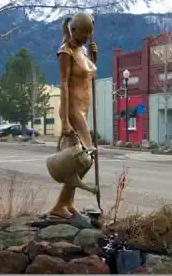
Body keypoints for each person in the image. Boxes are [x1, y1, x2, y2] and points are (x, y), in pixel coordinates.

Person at [48, 13, 98, 219]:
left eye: (90, 32)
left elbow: (87, 74)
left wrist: (93, 58)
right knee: (85, 157)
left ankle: (65, 203)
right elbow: (65, 84)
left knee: (81, 158)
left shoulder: (83, 50)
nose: (87, 35)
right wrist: (66, 120)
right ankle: (62, 203)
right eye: (83, 31)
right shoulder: (66, 51)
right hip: (72, 110)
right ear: (74, 30)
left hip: (83, 108)